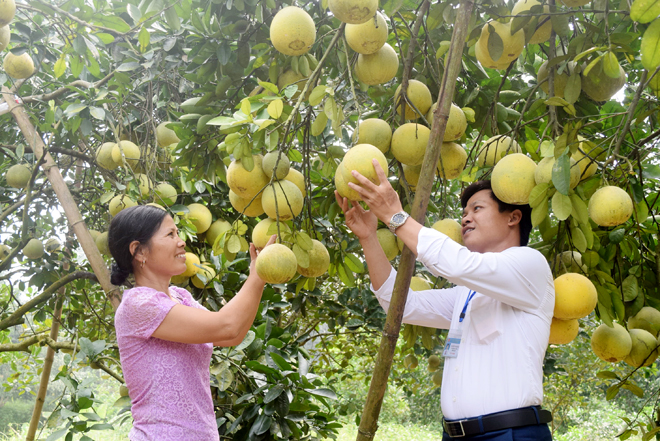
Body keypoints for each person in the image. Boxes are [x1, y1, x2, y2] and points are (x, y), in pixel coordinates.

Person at [335, 160, 555, 440]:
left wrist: (395, 215)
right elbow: (401, 305)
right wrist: (368, 238)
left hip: (510, 433)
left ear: (513, 217)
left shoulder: (530, 265)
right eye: (464, 212)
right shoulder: (467, 294)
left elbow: (458, 265)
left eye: (477, 209)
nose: (465, 218)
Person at [109, 205, 274, 441]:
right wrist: (258, 274)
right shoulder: (139, 305)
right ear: (138, 251)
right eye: (170, 235)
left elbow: (232, 335)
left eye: (178, 233)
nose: (181, 241)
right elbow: (226, 325)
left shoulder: (180, 297)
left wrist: (261, 276)